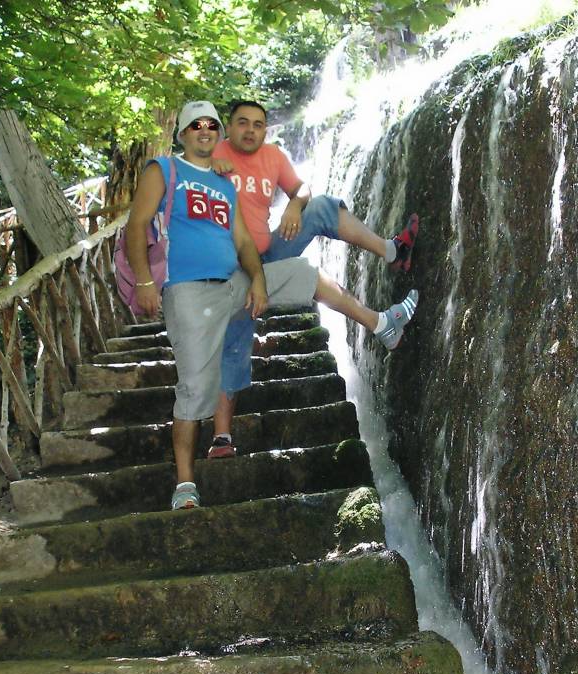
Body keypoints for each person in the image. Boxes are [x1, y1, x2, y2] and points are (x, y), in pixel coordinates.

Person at [125, 100, 419, 511]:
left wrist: (289, 218)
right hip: (206, 282)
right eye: (200, 125)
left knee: (312, 239)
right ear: (201, 131)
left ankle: (387, 276)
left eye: (257, 124)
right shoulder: (185, 164)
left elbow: (272, 215)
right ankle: (205, 458)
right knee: (215, 362)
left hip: (254, 265)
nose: (246, 130)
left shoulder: (255, 167)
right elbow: (142, 220)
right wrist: (144, 281)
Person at [207, 99, 420, 459]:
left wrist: (294, 204)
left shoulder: (273, 156)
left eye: (258, 124)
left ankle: (392, 252)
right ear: (229, 127)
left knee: (319, 206)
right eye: (242, 122)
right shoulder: (213, 154)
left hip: (268, 253)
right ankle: (222, 438)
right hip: (230, 270)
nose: (250, 130)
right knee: (233, 340)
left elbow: (301, 188)